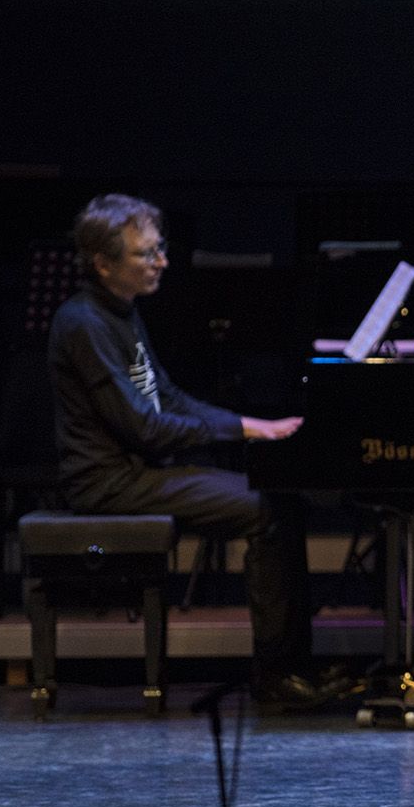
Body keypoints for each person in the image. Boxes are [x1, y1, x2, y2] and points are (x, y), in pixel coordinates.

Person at [48, 194, 334, 709]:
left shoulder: (122, 312)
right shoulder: (85, 324)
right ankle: (276, 677)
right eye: (146, 254)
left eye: (160, 249)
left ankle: (296, 666)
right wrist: (237, 433)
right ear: (103, 263)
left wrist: (251, 425)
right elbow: (145, 429)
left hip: (140, 473)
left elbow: (169, 397)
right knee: (267, 510)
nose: (162, 262)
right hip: (110, 483)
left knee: (281, 500)